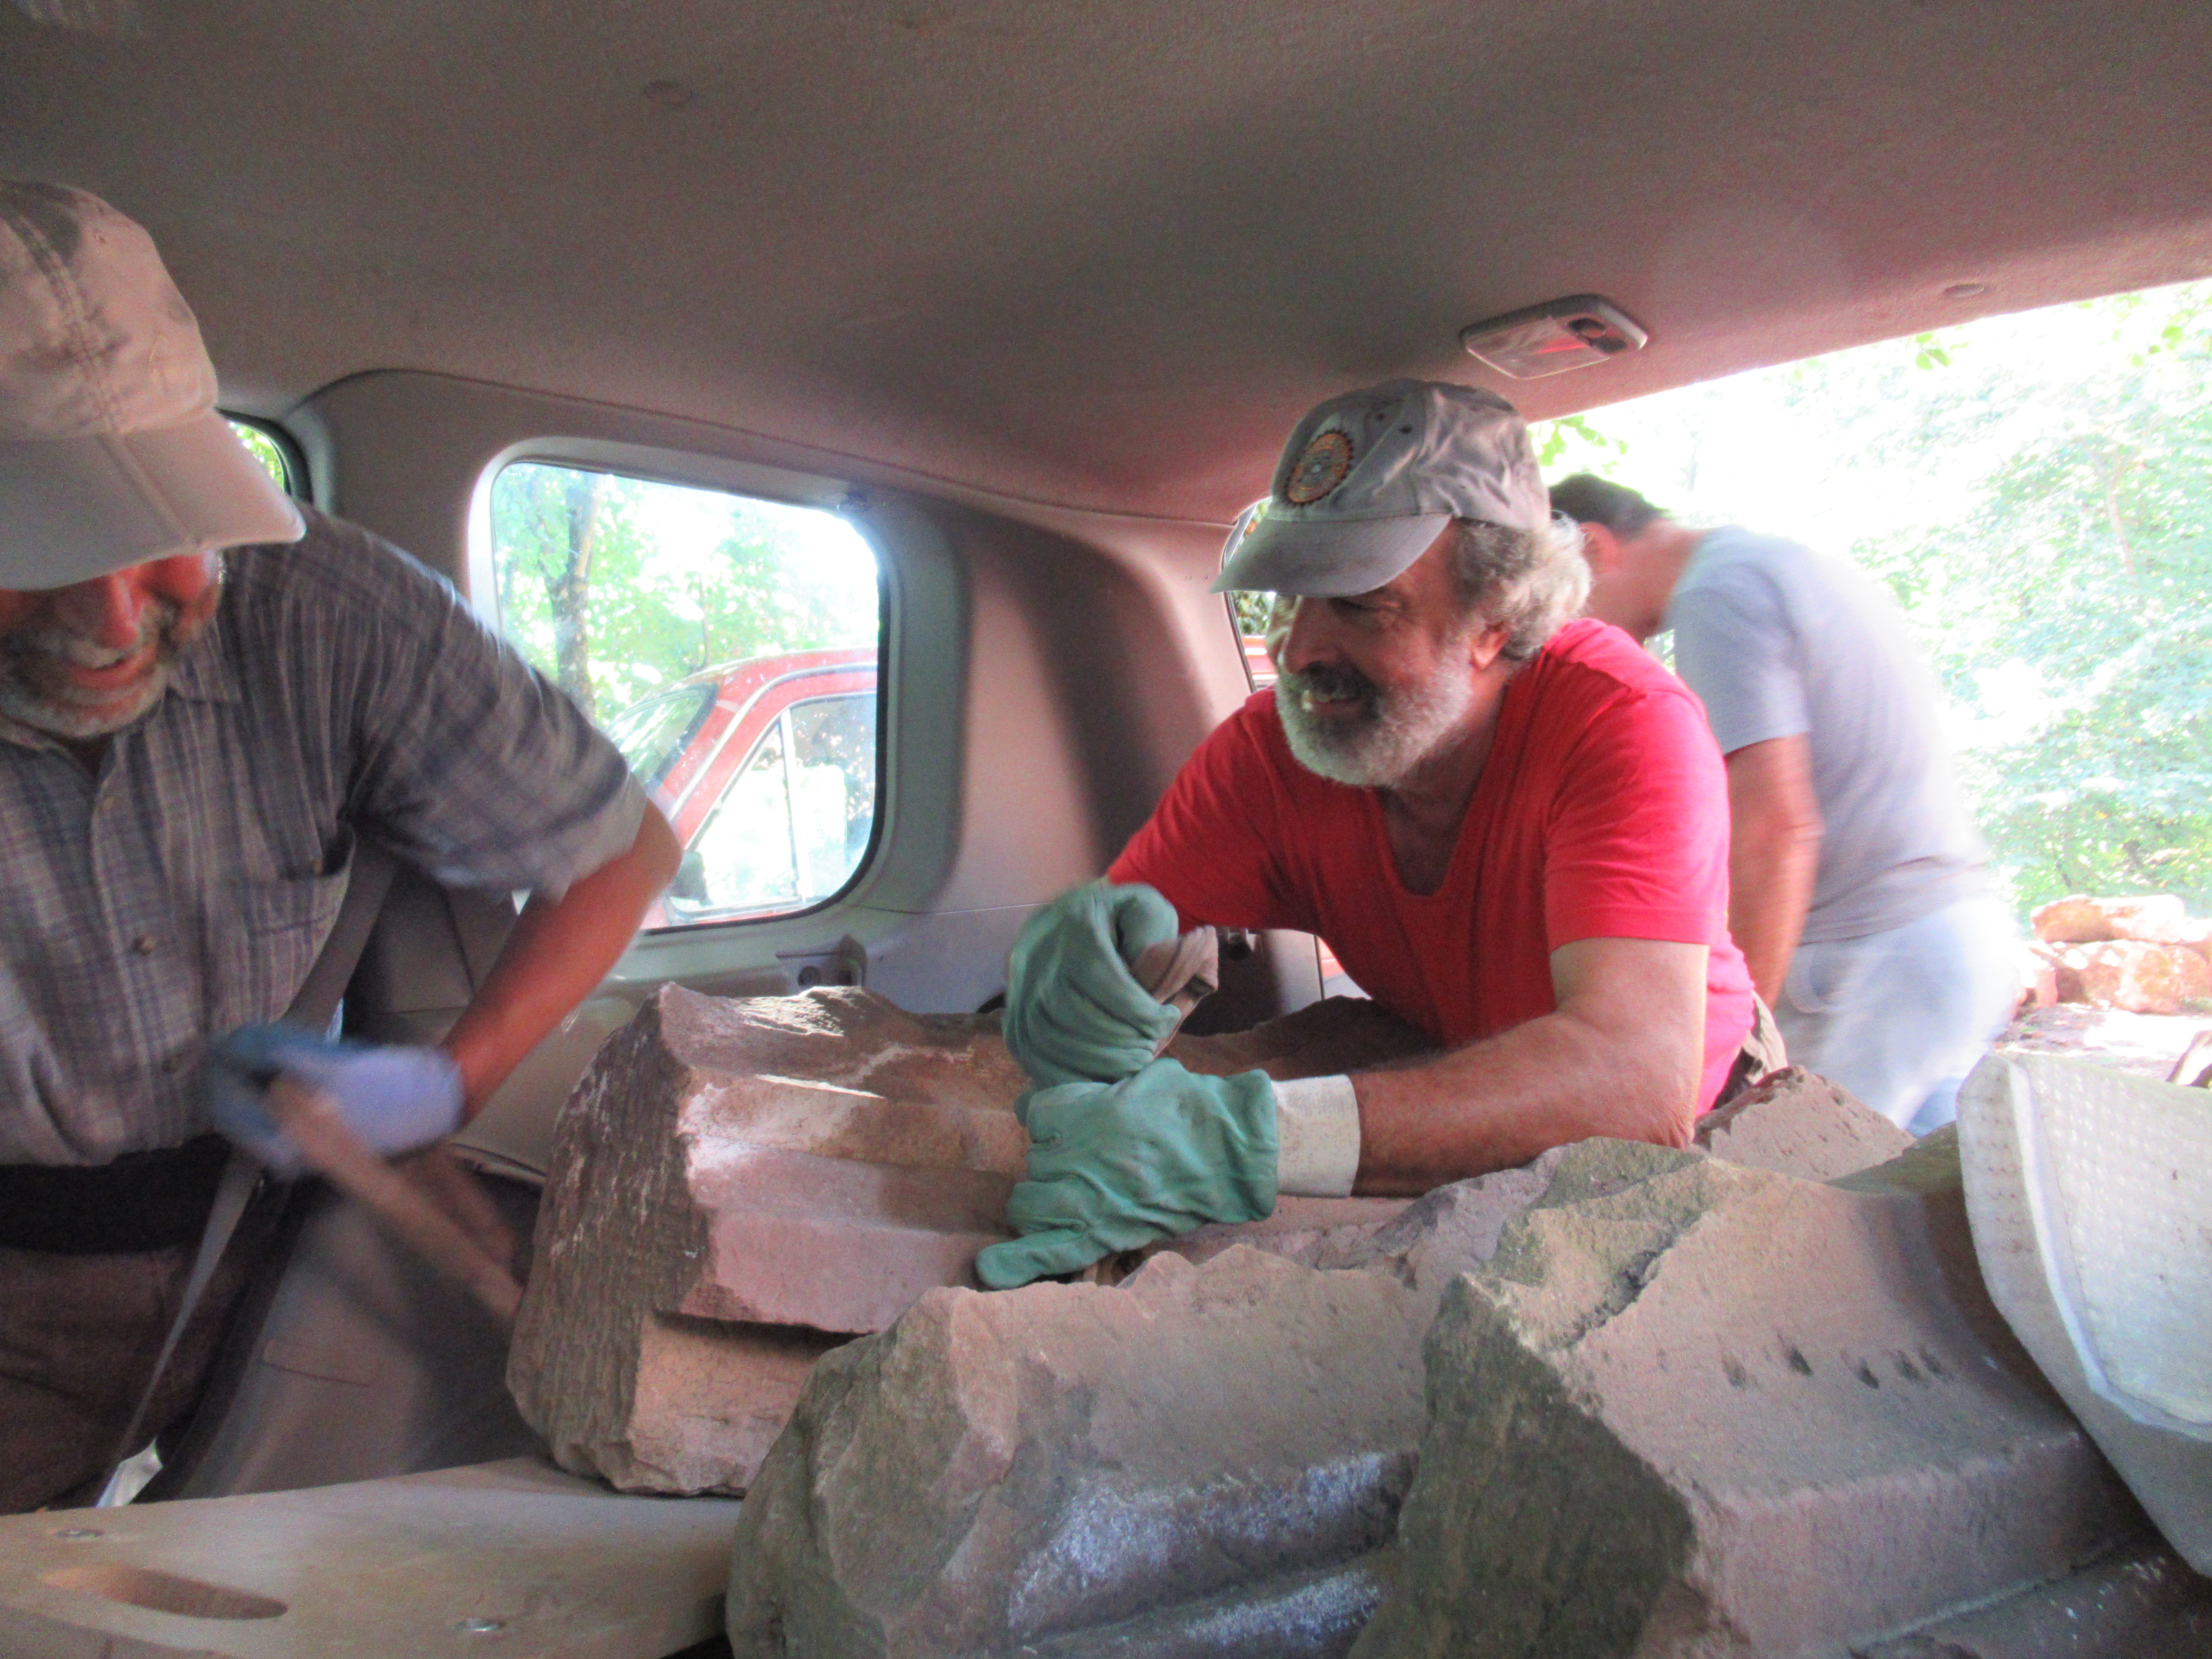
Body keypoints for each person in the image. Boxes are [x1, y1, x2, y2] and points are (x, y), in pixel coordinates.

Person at [0, 179, 679, 1512]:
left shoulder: (327, 609)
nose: (118, 618)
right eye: (40, 551)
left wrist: (445, 1087)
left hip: (259, 1244)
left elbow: (621, 851)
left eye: (159, 537)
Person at [976, 380, 1755, 1289]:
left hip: (1697, 1121)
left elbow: (1635, 1083)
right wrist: (1080, 989)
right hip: (1451, 1062)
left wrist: (1245, 1139)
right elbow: (1123, 954)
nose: (1297, 649)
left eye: (1361, 604)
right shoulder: (1268, 758)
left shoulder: (1620, 723)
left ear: (1496, 620)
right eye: (1292, 598)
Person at [1550, 473, 2014, 1135]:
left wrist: (1738, 1042)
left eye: (1563, 602)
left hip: (1867, 961)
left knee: (1792, 1178)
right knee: (1941, 1185)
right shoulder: (1781, 563)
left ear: (1593, 548)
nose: (1566, 632)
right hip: (1954, 942)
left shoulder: (1716, 596)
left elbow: (1774, 829)